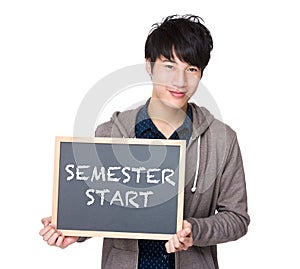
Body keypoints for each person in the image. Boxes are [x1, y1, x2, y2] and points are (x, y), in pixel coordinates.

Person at [40, 14, 250, 269]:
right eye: (169, 66)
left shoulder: (221, 140)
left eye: (191, 69)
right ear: (149, 66)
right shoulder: (110, 134)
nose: (180, 81)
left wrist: (195, 230)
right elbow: (100, 207)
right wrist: (74, 229)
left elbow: (237, 218)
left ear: (201, 74)